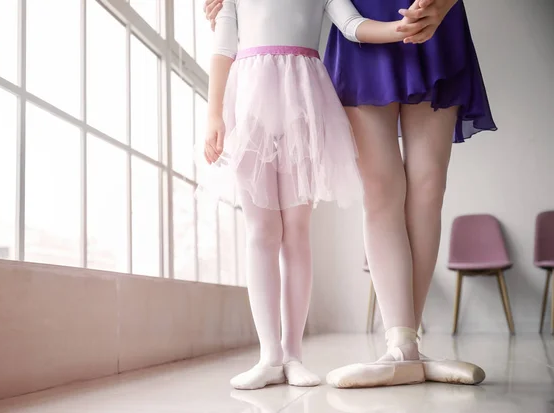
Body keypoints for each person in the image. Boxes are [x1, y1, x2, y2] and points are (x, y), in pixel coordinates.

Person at [204, 0, 495, 389]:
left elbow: (346, 21)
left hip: (423, 18)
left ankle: (406, 347)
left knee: (428, 187)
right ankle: (397, 344)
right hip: (356, 36)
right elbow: (227, 39)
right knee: (378, 188)